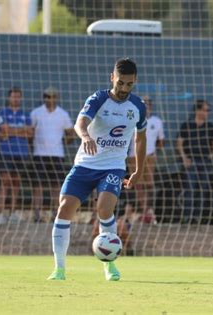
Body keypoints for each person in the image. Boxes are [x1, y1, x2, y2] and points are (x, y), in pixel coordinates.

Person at [47, 58, 147, 281]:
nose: (123, 88)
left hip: (113, 167)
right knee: (64, 208)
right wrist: (85, 137)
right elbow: (80, 123)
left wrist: (138, 170)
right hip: (85, 164)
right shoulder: (98, 99)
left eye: (129, 84)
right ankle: (59, 269)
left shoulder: (138, 106)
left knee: (104, 209)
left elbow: (140, 139)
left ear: (135, 82)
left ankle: (109, 267)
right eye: (120, 82)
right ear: (112, 78)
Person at [30, 87, 75, 223]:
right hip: (39, 154)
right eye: (48, 97)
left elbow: (70, 133)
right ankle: (37, 215)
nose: (50, 99)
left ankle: (56, 213)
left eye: (53, 96)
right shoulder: (36, 113)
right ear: (44, 98)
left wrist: (64, 142)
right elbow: (29, 133)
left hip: (57, 155)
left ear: (57, 98)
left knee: (56, 186)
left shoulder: (63, 114)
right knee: (38, 186)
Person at [176, 100, 213, 224]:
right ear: (198, 110)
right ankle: (187, 217)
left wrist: (210, 156)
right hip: (190, 161)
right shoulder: (187, 125)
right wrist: (184, 158)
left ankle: (197, 218)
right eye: (205, 110)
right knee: (190, 189)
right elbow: (179, 143)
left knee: (203, 189)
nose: (207, 113)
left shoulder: (210, 127)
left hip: (204, 161)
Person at [0, 87, 33, 225]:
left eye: (18, 96)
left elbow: (30, 134)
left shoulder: (26, 114)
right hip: (6, 152)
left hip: (21, 152)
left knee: (16, 182)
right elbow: (3, 130)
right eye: (13, 96)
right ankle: (0, 213)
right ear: (9, 98)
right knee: (5, 182)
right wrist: (21, 131)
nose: (16, 99)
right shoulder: (2, 112)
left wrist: (11, 132)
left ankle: (13, 213)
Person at [127, 96, 164, 223]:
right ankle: (143, 211)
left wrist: (154, 153)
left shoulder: (157, 121)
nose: (146, 107)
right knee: (138, 185)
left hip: (149, 157)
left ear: (151, 107)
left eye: (148, 104)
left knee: (149, 185)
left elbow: (161, 141)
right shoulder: (131, 120)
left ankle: (149, 211)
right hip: (134, 156)